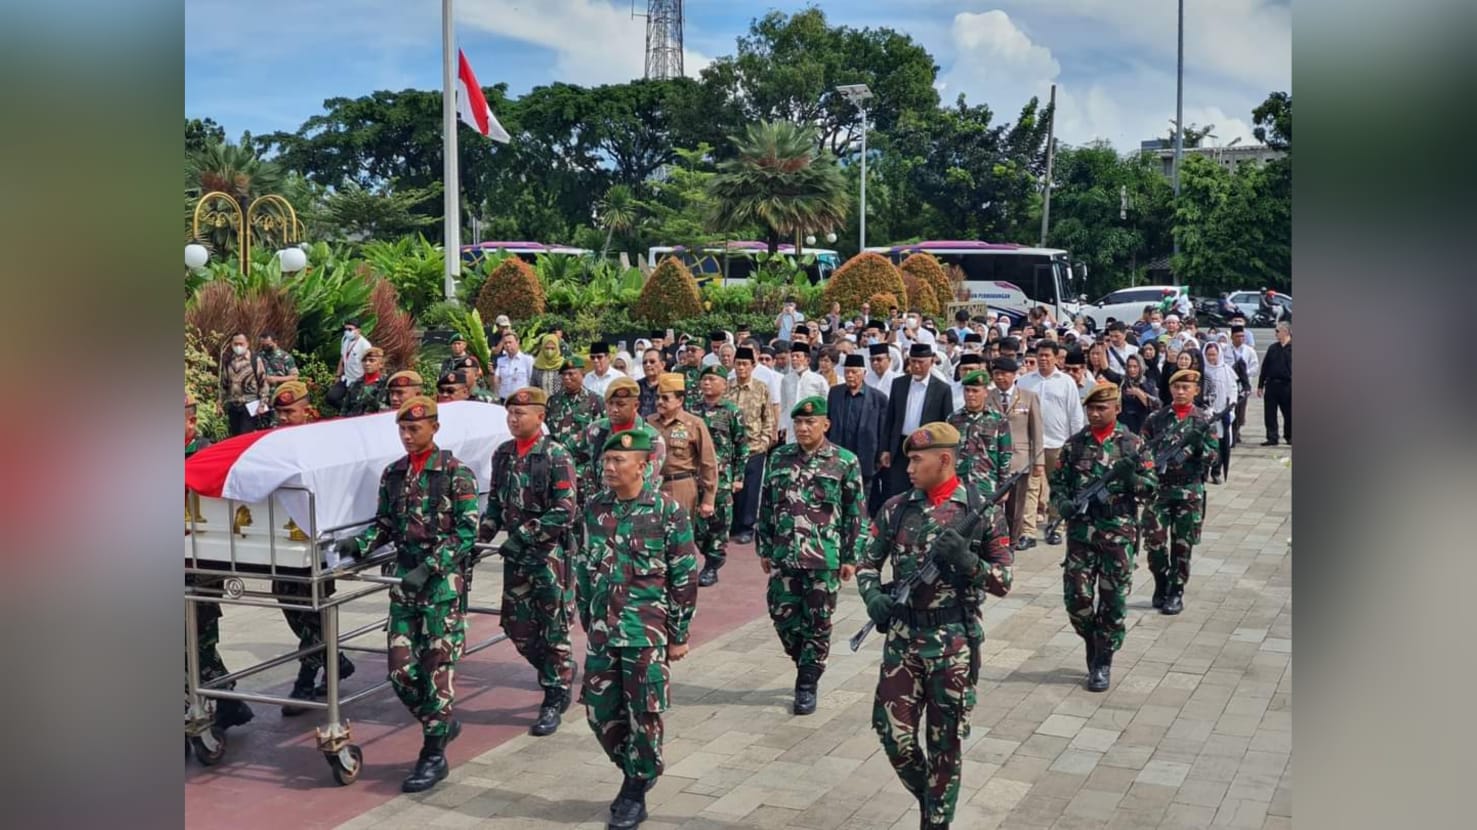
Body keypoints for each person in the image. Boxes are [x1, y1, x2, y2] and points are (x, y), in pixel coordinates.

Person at [857, 422, 1014, 830]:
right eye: (908, 460)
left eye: (916, 460)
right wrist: (873, 597)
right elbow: (866, 562)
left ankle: (936, 821)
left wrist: (968, 561)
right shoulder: (896, 508)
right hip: (903, 641)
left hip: (953, 644)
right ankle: (934, 802)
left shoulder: (980, 509)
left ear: (944, 459)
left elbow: (1003, 581)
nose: (909, 468)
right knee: (893, 735)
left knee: (945, 744)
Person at [337, 396, 478, 792]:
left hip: (440, 587)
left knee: (436, 668)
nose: (407, 435)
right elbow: (386, 522)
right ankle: (441, 723)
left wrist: (429, 567)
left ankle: (433, 755)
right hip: (405, 585)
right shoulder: (394, 474)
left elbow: (466, 532)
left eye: (414, 428)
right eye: (402, 429)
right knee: (400, 671)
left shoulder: (455, 473)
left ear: (434, 427)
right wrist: (360, 544)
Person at [579, 429, 698, 829]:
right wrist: (587, 617)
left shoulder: (667, 511)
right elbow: (585, 566)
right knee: (599, 712)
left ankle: (635, 788)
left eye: (618, 461)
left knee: (644, 714)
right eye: (607, 461)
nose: (609, 468)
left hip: (645, 632)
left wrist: (679, 634)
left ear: (643, 466)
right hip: (602, 630)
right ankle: (637, 770)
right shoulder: (595, 508)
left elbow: (684, 575)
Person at [479, 387, 580, 736]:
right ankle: (557, 668)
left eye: (520, 413)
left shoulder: (556, 455)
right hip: (516, 557)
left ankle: (555, 693)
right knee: (516, 626)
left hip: (550, 556)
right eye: (510, 413)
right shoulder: (503, 454)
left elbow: (565, 510)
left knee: (553, 625)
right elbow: (495, 503)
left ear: (540, 416)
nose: (513, 419)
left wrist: (524, 535)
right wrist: (482, 535)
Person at [758, 396, 865, 716]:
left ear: (825, 425)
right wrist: (764, 546)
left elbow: (855, 512)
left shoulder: (844, 461)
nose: (803, 428)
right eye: (798, 422)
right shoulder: (779, 457)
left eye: (810, 422)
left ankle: (807, 682)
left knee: (817, 622)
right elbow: (767, 504)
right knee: (783, 617)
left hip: (823, 556)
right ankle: (806, 660)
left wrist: (851, 556)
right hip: (785, 554)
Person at [1049, 384, 1157, 692]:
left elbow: (1151, 488)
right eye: (1091, 409)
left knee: (1113, 601)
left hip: (1117, 534)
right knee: (1077, 599)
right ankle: (1092, 641)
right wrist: (1062, 503)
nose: (1095, 414)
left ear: (1117, 409)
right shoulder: (1074, 445)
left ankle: (1103, 659)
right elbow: (1058, 484)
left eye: (1102, 408)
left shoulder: (1132, 444)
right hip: (1081, 535)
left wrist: (1130, 477)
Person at [184, 392, 254, 733]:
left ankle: (220, 701)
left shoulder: (208, 455)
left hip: (201, 564)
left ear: (191, 421)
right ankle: (224, 701)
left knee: (198, 638)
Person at [1139, 370, 1219, 615]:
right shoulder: (1156, 418)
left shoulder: (1203, 421)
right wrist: (1151, 468)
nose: (1181, 391)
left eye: (1186, 387)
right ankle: (1161, 581)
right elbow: (1142, 450)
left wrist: (1198, 448)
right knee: (1154, 542)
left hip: (1189, 491)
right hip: (1160, 490)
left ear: (1196, 391)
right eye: (1177, 387)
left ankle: (1176, 590)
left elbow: (1214, 456)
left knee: (1183, 544)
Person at [1016, 341, 1084, 548]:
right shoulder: (1024, 382)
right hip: (1031, 443)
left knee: (1057, 486)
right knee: (1030, 487)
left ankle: (1055, 526)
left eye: (1047, 355)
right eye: (1040, 355)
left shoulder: (1066, 382)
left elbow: (1075, 414)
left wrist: (1075, 442)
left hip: (1058, 442)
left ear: (1056, 358)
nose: (1043, 359)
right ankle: (1027, 532)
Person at [690, 365, 748, 587]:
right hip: (695, 476)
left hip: (721, 477)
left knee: (719, 524)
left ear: (724, 385)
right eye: (704, 379)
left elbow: (741, 446)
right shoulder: (692, 410)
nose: (706, 383)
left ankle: (712, 565)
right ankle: (704, 555)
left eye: (712, 379)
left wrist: (738, 476)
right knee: (696, 525)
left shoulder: (732, 411)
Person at [879, 344, 954, 505]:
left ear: (931, 362)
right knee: (897, 490)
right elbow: (890, 418)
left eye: (921, 362)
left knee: (923, 489)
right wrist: (886, 448)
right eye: (913, 362)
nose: (917, 366)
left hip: (926, 446)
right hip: (900, 445)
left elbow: (946, 425)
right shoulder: (899, 384)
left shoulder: (942, 389)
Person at [576, 377, 668, 506]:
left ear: (636, 405)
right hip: (598, 506)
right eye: (610, 403)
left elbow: (645, 480)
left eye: (620, 404)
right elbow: (570, 455)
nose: (614, 409)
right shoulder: (595, 430)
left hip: (635, 508)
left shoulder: (651, 438)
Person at [645, 373, 718, 533]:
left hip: (681, 486)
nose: (659, 402)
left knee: (680, 535)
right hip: (652, 486)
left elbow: (708, 462)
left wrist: (709, 498)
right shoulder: (649, 423)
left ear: (680, 400)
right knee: (651, 535)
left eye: (665, 398)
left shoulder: (694, 424)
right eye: (658, 398)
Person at [986, 357, 1043, 550]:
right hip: (992, 459)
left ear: (1014, 375)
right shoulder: (987, 396)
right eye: (996, 374)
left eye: (1004, 374)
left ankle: (1012, 541)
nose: (1000, 378)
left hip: (1020, 459)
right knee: (992, 504)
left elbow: (1037, 431)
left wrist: (1039, 461)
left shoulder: (1028, 396)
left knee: (1016, 506)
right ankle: (993, 541)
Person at [725, 347, 776, 545]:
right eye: (738, 364)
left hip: (754, 447)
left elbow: (768, 417)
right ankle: (731, 525)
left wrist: (765, 441)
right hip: (731, 448)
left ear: (753, 366)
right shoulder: (727, 387)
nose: (741, 368)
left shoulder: (761, 388)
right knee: (731, 487)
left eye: (745, 364)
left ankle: (746, 527)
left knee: (750, 489)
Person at [826, 354, 888, 511]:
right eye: (847, 372)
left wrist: (880, 455)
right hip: (838, 456)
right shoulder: (835, 393)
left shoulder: (878, 398)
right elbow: (828, 422)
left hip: (865, 458)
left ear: (864, 373)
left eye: (854, 372)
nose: (850, 376)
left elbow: (882, 430)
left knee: (861, 503)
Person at [947, 370, 1014, 502]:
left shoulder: (998, 419)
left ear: (985, 392)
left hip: (987, 485)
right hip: (959, 485)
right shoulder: (953, 419)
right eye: (967, 390)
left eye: (975, 391)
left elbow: (1005, 454)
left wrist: (1004, 486)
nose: (970, 395)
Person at [547, 356, 604, 456]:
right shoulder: (553, 401)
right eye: (564, 374)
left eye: (571, 374)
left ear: (583, 375)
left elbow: (602, 431)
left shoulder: (595, 400)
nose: (566, 377)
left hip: (583, 460)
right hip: (556, 458)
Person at [1200, 343, 1238, 484]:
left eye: (1214, 354)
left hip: (1222, 412)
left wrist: (1231, 405)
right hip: (1206, 412)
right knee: (1206, 442)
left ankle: (1216, 472)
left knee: (1221, 443)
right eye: (1208, 355)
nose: (1211, 357)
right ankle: (1204, 472)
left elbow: (1233, 389)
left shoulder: (1226, 370)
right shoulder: (1202, 371)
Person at [780, 342, 830, 443]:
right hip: (792, 425)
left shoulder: (818, 379)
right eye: (792, 356)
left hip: (812, 425)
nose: (794, 359)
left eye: (797, 356)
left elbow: (826, 403)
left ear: (807, 360)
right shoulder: (786, 379)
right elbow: (784, 405)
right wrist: (783, 425)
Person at [218, 332, 263, 436]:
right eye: (236, 344)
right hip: (233, 405)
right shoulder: (228, 361)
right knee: (235, 436)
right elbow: (224, 384)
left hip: (250, 404)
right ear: (231, 344)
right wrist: (220, 402)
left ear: (247, 344)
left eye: (241, 344)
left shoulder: (255, 360)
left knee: (245, 435)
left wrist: (262, 404)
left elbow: (263, 383)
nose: (238, 346)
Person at [1258, 322, 1292, 446]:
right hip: (1272, 384)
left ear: (1286, 332)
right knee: (1270, 413)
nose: (1276, 334)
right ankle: (1272, 437)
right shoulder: (1273, 348)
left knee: (1289, 412)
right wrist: (1260, 385)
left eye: (1278, 331)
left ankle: (1290, 436)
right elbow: (1265, 367)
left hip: (1287, 385)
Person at [1226, 325, 1259, 444]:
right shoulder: (1225, 350)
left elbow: (1255, 367)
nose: (1240, 339)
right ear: (1232, 337)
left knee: (1240, 410)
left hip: (1243, 385)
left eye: (1242, 336)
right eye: (1237, 336)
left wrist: (1244, 373)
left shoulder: (1249, 351)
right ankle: (1231, 432)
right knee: (1230, 408)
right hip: (1229, 383)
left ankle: (1237, 430)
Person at [333, 320, 373, 411]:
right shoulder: (345, 340)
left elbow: (369, 364)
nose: (347, 332)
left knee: (355, 403)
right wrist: (338, 376)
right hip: (346, 378)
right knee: (332, 398)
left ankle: (351, 413)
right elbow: (342, 359)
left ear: (358, 331)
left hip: (358, 381)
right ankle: (347, 411)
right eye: (345, 329)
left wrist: (366, 383)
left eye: (350, 329)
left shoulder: (365, 345)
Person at [1118, 354, 1160, 435]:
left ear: (1141, 367)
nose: (1132, 369)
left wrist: (1138, 393)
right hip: (1125, 423)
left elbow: (1156, 406)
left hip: (1141, 424)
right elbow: (1107, 371)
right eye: (1129, 366)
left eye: (1135, 367)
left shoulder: (1149, 383)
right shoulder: (1122, 382)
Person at [342, 347, 389, 415]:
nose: (367, 363)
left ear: (381, 364)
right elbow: (344, 409)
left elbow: (392, 409)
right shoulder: (354, 385)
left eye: (372, 360)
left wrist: (375, 404)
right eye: (364, 360)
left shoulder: (386, 384)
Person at [255, 331, 299, 405]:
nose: (265, 347)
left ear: (275, 342)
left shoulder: (285, 357)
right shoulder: (258, 357)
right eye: (263, 345)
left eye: (267, 345)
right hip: (261, 397)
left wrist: (276, 379)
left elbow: (294, 377)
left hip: (279, 395)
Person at [494, 331, 535, 403]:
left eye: (510, 342)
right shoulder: (501, 361)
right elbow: (497, 380)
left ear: (517, 342)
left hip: (521, 400)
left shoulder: (527, 360)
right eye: (505, 343)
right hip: (504, 399)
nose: (508, 345)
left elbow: (532, 380)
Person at [636, 348, 664, 418]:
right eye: (644, 362)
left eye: (652, 362)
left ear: (662, 365)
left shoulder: (670, 386)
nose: (648, 365)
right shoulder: (636, 386)